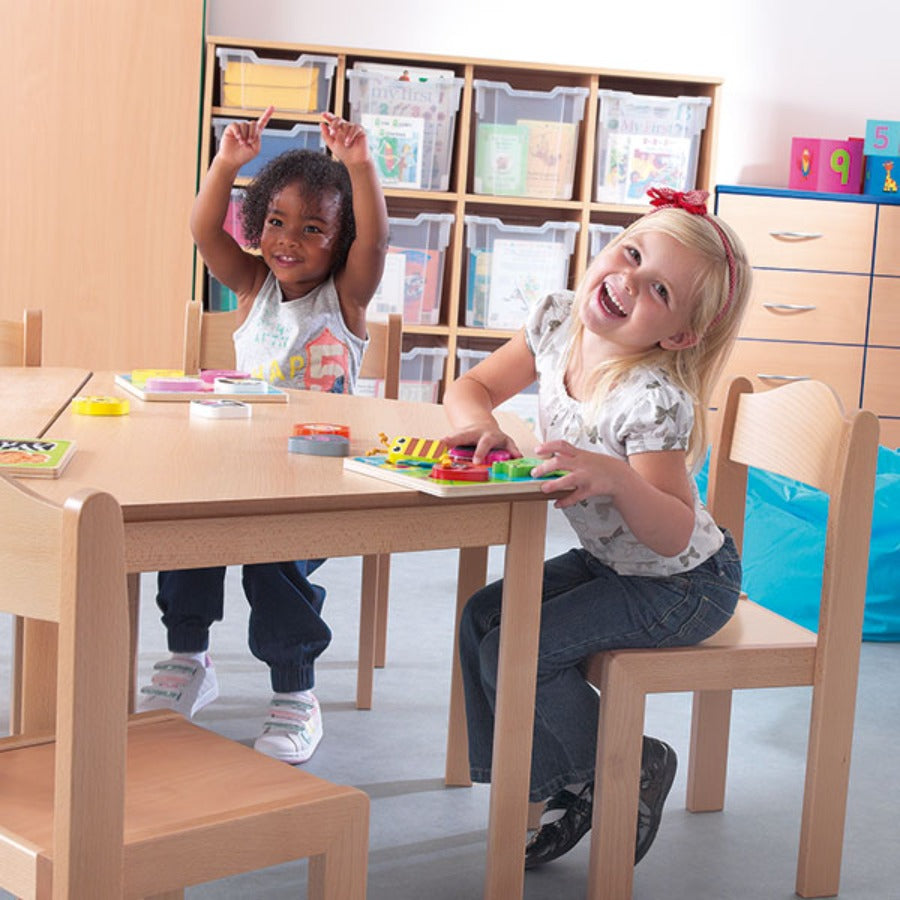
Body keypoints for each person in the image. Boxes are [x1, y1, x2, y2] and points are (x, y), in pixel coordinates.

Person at [441, 187, 752, 868]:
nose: (627, 281)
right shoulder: (559, 325)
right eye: (631, 253)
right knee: (482, 618)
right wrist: (482, 428)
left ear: (678, 335)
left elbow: (672, 532)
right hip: (617, 565)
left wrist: (615, 479)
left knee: (514, 648)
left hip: (683, 585)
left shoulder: (652, 401)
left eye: (658, 290)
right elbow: (471, 388)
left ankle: (625, 767)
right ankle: (545, 783)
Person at [138, 106, 388, 765]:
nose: (288, 240)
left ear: (340, 241)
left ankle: (296, 693)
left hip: (316, 479)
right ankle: (189, 658)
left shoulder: (346, 299)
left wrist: (359, 165)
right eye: (275, 222)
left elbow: (378, 245)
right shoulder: (253, 287)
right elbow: (202, 232)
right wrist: (227, 166)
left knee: (274, 562)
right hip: (239, 466)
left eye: (312, 229)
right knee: (186, 531)